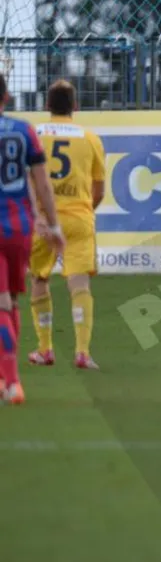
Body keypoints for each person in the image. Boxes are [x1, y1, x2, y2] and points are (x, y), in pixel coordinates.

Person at [27, 80, 106, 371]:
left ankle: (45, 349)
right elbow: (99, 189)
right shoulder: (90, 138)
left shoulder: (34, 135)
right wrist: (84, 211)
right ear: (75, 106)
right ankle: (83, 352)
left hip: (42, 221)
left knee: (39, 280)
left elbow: (25, 179)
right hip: (78, 218)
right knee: (79, 283)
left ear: (47, 105)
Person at [0, 74, 64, 405]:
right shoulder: (25, 131)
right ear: (6, 97)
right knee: (10, 299)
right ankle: (5, 377)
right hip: (19, 227)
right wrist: (53, 226)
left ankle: (12, 381)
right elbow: (41, 184)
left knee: (1, 302)